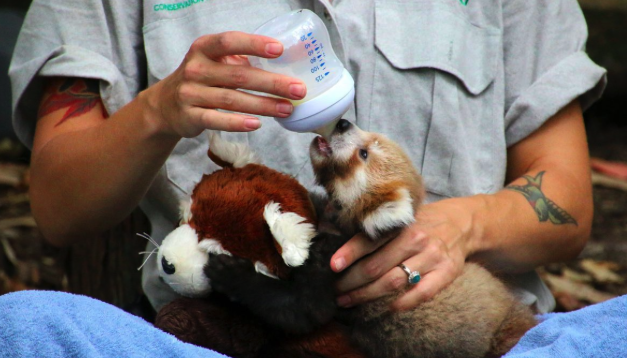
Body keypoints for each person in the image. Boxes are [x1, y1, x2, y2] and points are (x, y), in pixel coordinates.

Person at [6, 0, 606, 353]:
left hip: (476, 341)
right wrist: (157, 112)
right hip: (227, 337)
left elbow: (568, 203)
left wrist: (461, 227)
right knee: (24, 329)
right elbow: (60, 208)